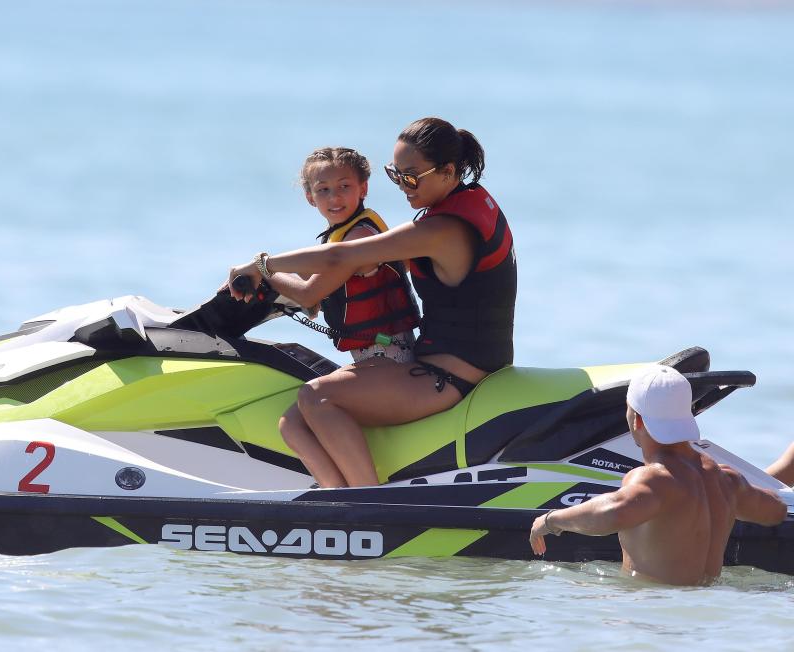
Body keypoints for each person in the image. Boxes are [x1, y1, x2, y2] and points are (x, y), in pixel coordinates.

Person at [227, 117, 517, 488]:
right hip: (453, 363)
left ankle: (367, 503)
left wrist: (262, 265)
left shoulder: (443, 230)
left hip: (450, 374)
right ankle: (336, 501)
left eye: (411, 177)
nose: (402, 186)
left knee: (316, 398)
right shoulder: (468, 204)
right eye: (396, 175)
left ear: (447, 171)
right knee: (294, 420)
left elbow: (339, 257)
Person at [529, 365, 787, 586]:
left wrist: (550, 520)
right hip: (705, 614)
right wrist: (733, 495)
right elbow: (776, 510)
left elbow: (614, 512)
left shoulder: (655, 480)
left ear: (637, 420)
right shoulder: (726, 480)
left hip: (652, 618)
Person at [260, 147, 419, 364]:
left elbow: (308, 295)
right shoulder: (340, 235)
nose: (334, 197)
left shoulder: (360, 236)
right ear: (310, 197)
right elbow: (318, 283)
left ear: (363, 188)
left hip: (388, 357)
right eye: (323, 189)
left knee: (312, 394)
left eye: (344, 186)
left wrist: (260, 269)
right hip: (373, 356)